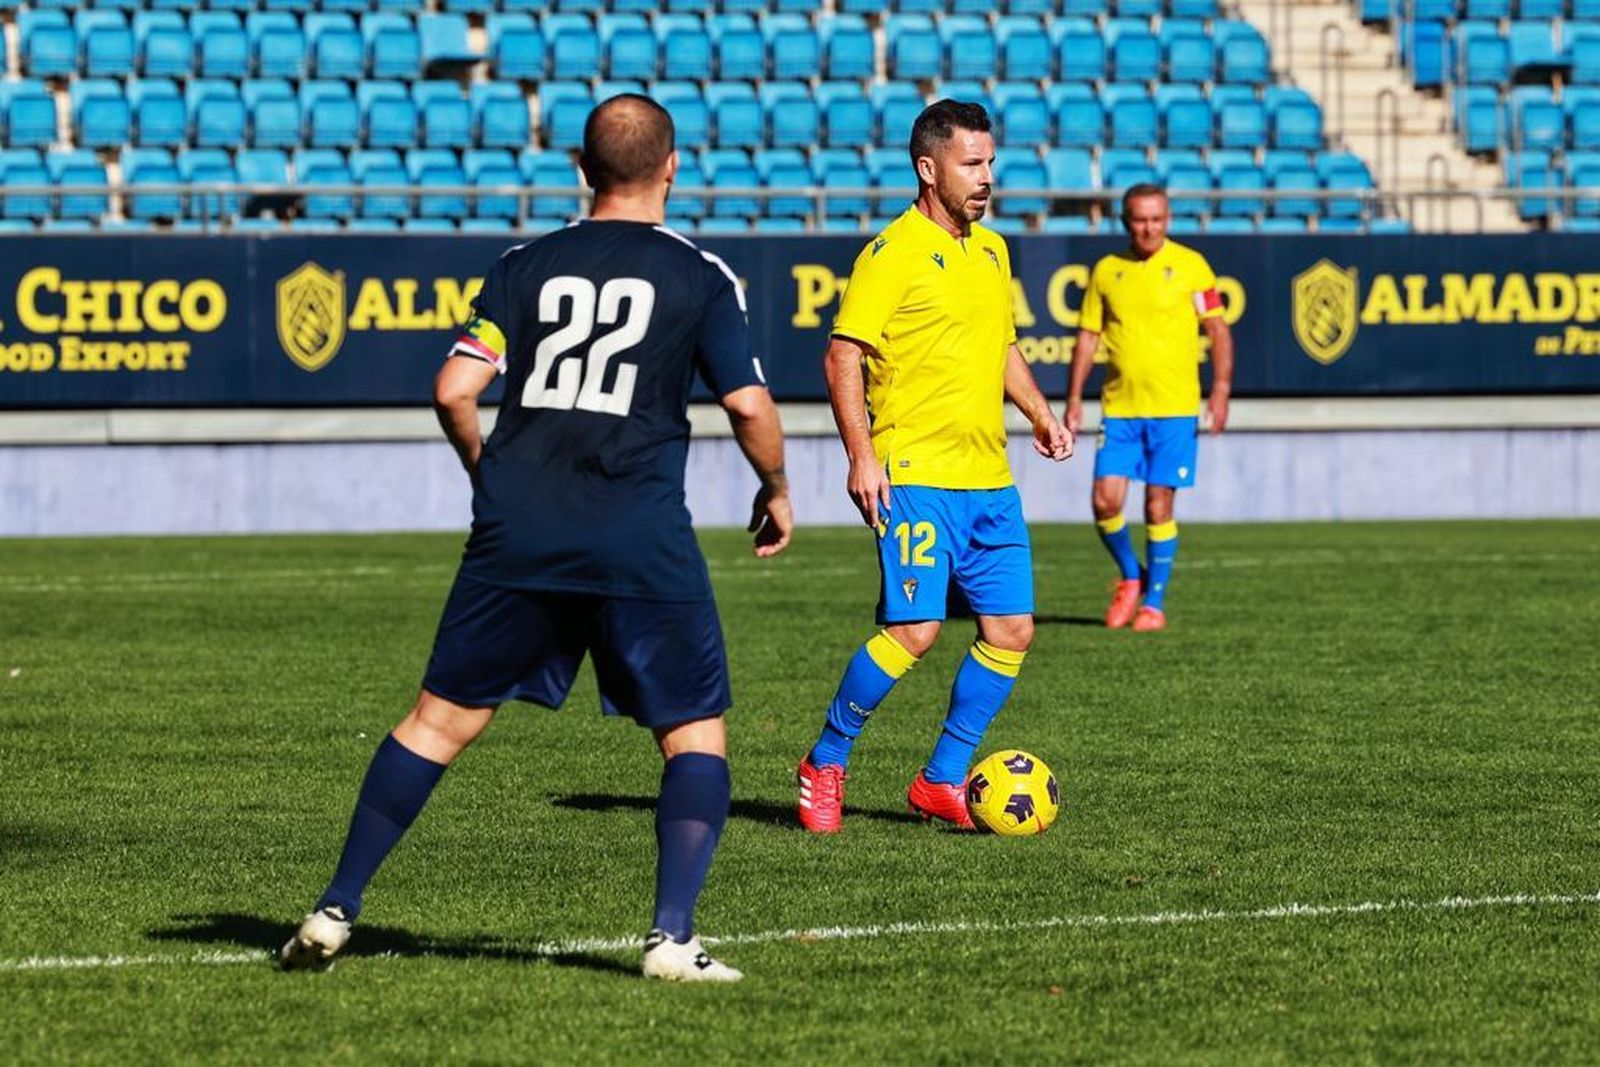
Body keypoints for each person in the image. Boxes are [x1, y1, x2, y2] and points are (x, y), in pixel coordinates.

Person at [281, 95, 791, 982]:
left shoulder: (523, 264)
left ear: (581, 169)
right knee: (694, 733)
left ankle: (335, 907)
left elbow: (452, 389)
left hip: (519, 532)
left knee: (438, 721)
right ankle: (671, 938)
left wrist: (490, 474)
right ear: (673, 167)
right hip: (637, 533)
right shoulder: (702, 275)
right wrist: (776, 485)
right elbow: (747, 404)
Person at [794, 100, 1071, 835]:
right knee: (914, 631)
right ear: (929, 168)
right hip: (915, 473)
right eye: (970, 164)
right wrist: (862, 457)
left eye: (989, 162)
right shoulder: (892, 253)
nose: (985, 178)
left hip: (990, 481)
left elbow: (1002, 347)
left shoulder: (992, 251)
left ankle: (942, 777)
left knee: (1011, 629)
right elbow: (842, 354)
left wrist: (1041, 414)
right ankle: (825, 759)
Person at [1065, 184, 1234, 632]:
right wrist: (1075, 399)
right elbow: (1087, 337)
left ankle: (1153, 604)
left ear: (1168, 219)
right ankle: (1131, 575)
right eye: (1140, 219)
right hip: (1119, 409)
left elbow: (1217, 331)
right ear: (1126, 221)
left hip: (1174, 410)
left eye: (1157, 218)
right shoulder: (1106, 271)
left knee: (1158, 507)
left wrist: (1219, 389)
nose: (1149, 227)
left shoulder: (1191, 266)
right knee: (1104, 501)